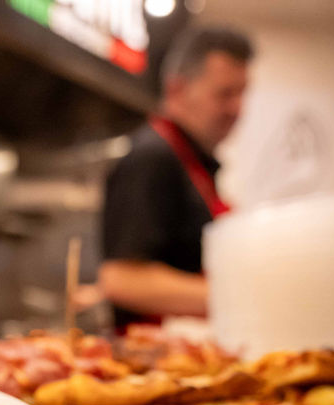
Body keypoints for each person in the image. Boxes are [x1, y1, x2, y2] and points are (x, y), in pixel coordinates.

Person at [87, 26, 253, 329]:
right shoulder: (153, 157)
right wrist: (242, 297)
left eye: (242, 94)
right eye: (225, 94)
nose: (237, 109)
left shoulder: (191, 160)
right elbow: (122, 279)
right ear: (177, 90)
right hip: (149, 364)